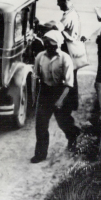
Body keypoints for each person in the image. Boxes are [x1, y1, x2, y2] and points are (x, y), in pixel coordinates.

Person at [31, 30, 80, 163]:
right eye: (46, 44)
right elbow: (35, 77)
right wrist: (34, 97)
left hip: (61, 91)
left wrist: (60, 100)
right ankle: (40, 154)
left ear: (58, 44)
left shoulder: (65, 58)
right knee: (41, 125)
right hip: (45, 92)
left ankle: (73, 136)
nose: (48, 47)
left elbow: (69, 84)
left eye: (52, 44)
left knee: (64, 122)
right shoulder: (40, 57)